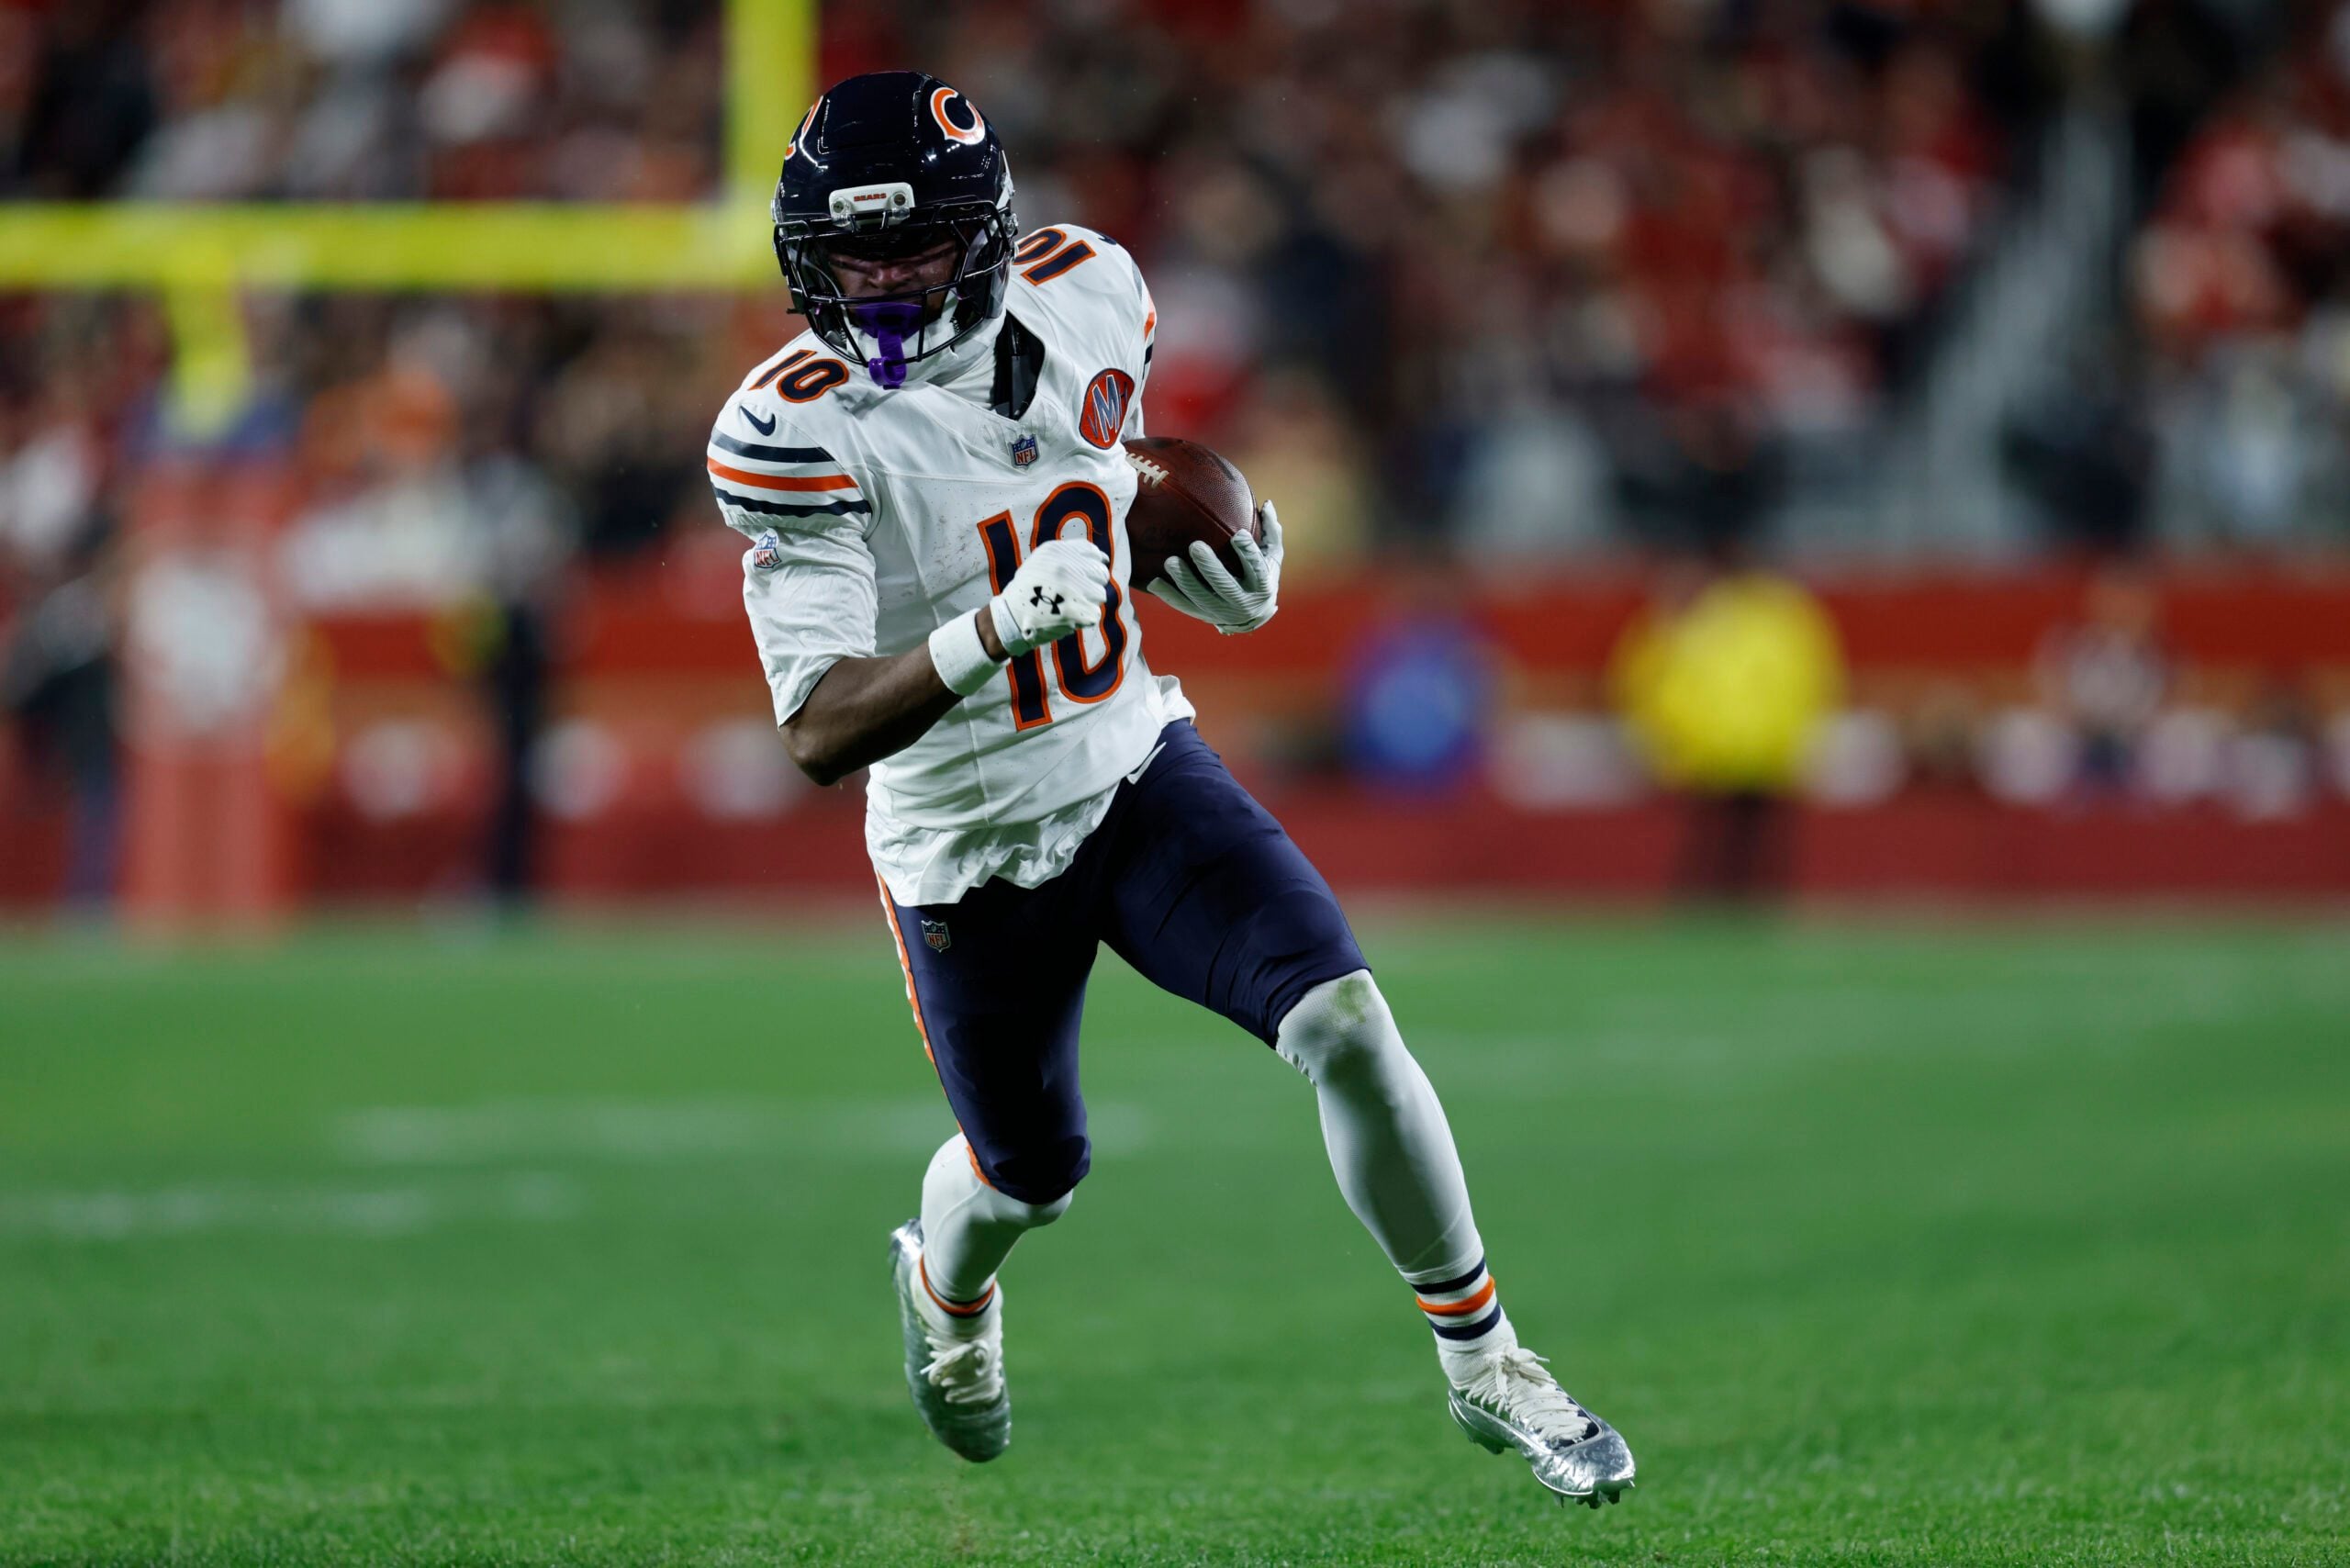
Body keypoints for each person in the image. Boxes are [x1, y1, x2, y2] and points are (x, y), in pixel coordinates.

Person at [710, 71, 1635, 1507]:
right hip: (966, 847)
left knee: (1343, 1019)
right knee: (1030, 1178)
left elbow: (1101, 475)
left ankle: (1486, 1359)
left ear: (985, 235)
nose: (880, 284)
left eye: (912, 248)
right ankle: (946, 1291)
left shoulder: (1093, 294)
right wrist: (994, 627)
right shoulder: (794, 431)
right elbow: (819, 731)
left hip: (1131, 764)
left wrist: (1220, 553)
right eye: (852, 257)